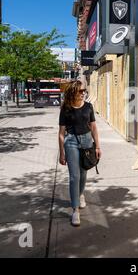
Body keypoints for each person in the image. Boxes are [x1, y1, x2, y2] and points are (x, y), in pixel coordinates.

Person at [58, 80, 101, 227]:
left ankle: (80, 194)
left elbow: (94, 127)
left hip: (87, 141)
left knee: (83, 173)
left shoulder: (89, 106)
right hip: (71, 141)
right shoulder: (66, 108)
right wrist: (61, 153)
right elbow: (61, 133)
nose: (84, 93)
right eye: (81, 91)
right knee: (74, 176)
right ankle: (75, 209)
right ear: (73, 92)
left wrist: (97, 147)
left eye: (84, 91)